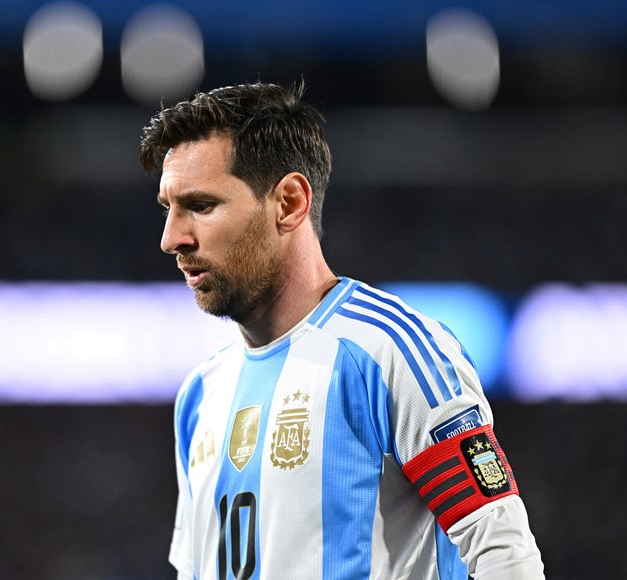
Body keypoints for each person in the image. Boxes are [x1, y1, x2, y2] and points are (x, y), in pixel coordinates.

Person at [139, 81, 544, 580]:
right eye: (167, 208)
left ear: (288, 203)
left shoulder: (388, 352)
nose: (171, 239)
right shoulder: (200, 393)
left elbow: (504, 554)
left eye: (201, 206)